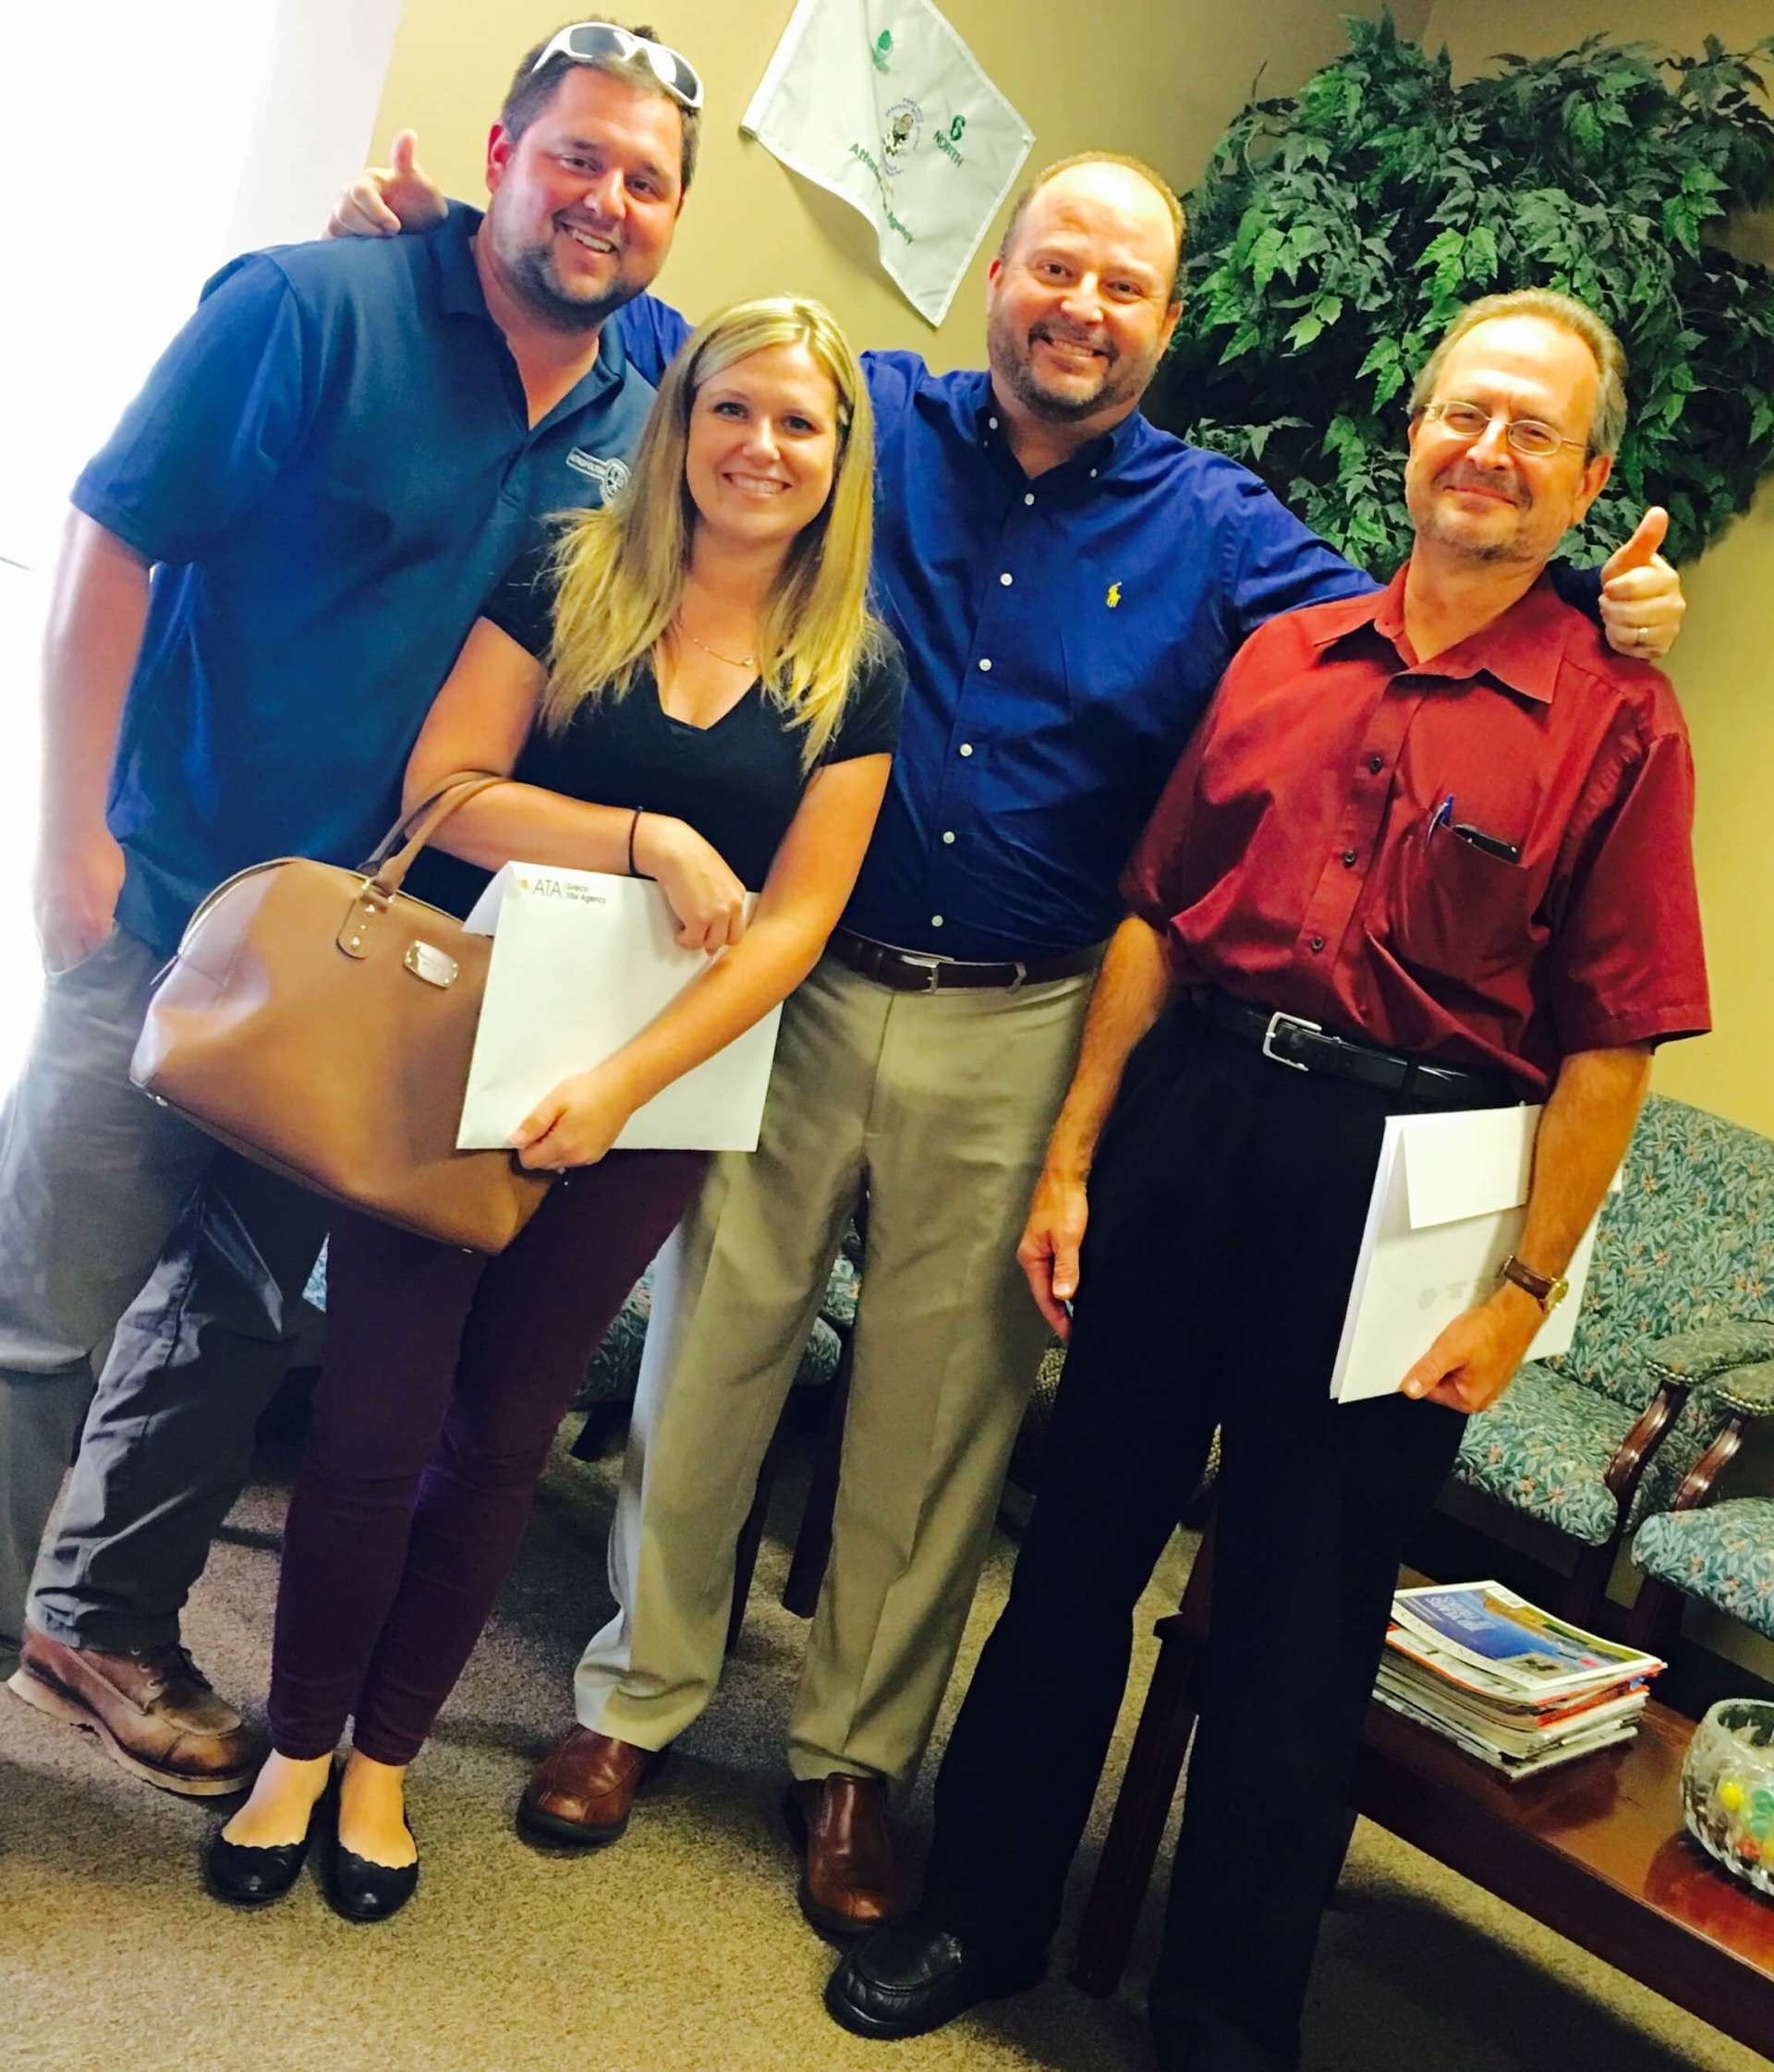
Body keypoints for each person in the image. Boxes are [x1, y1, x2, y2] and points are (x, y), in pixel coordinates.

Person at [328, 146, 1690, 1935]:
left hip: (1024, 1019)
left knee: (940, 1411)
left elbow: (1433, 599)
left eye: (1127, 288)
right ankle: (633, 1701)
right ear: (998, 275)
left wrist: (1601, 602)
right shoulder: (868, 417)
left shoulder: (1219, 529)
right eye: (1059, 269)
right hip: (796, 980)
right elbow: (692, 346)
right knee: (709, 1348)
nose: (1086, 309)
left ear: (1167, 324)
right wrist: (457, 241)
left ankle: (849, 1766)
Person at [823, 289, 1709, 2071]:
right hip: (1198, 1124)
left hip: (1413, 1184)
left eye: (1535, 430)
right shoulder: (1283, 655)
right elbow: (1157, 916)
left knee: (1301, 1630)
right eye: (1466, 411)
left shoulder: (1620, 719)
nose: (1489, 449)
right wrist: (1073, 1154)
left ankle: (1228, 2014)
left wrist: (1524, 1290)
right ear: (1414, 435)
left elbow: (1615, 1039)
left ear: (1589, 477)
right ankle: (984, 1911)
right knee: (1072, 1552)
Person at [3, 20, 701, 1791]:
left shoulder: (649, 421)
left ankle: (104, 1619)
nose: (604, 198)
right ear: (500, 153)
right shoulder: (314, 304)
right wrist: (64, 832)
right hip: (174, 901)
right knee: (40, 1316)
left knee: (230, 1321)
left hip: (380, 975)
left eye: (646, 178)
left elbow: (819, 442)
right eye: (577, 157)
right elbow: (113, 536)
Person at [203, 291, 904, 1920]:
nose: (762, 446)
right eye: (733, 408)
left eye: (802, 423)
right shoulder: (572, 570)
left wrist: (617, 1092)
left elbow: (795, 929)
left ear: (840, 460)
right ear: (684, 420)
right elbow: (441, 792)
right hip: (459, 1066)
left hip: (647, 1113)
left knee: (504, 1441)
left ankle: (386, 1761)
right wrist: (641, 837)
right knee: (373, 1424)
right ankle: (295, 1749)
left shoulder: (853, 671)